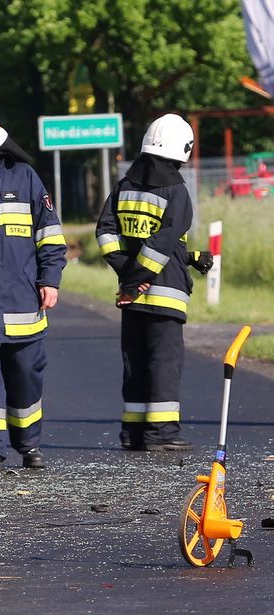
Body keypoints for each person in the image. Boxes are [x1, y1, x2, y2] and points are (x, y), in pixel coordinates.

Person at [0, 104, 66, 472]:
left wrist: (49, 280)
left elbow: (51, 237)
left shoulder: (24, 178)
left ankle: (29, 444)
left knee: (25, 379)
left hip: (22, 303)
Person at [95, 113, 198, 451]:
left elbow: (106, 233)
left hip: (132, 297)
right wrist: (138, 277)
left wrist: (126, 273)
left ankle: (133, 432)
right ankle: (161, 433)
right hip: (164, 294)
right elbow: (162, 244)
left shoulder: (124, 186)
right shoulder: (176, 191)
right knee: (164, 363)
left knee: (135, 362)